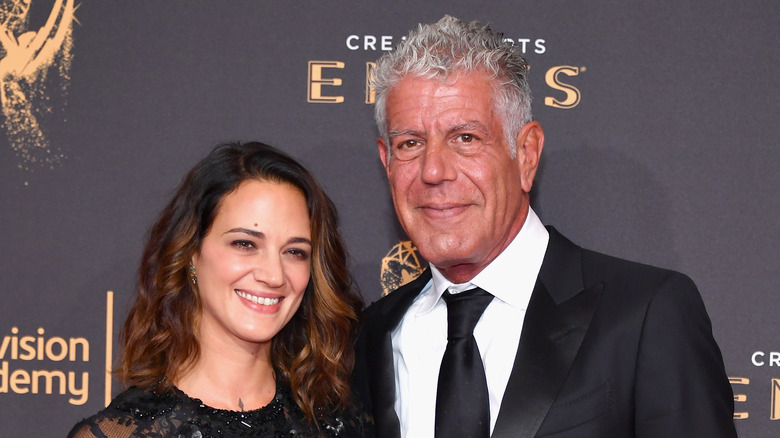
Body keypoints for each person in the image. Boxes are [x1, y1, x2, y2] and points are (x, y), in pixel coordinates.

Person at [354, 15, 737, 438]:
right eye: (410, 143)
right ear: (387, 162)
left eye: (465, 138)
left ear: (527, 154)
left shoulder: (646, 315)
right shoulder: (369, 337)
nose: (433, 171)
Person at [70, 142, 367, 437]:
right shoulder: (118, 434)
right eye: (245, 244)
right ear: (189, 254)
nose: (274, 275)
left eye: (295, 252)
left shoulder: (342, 420)